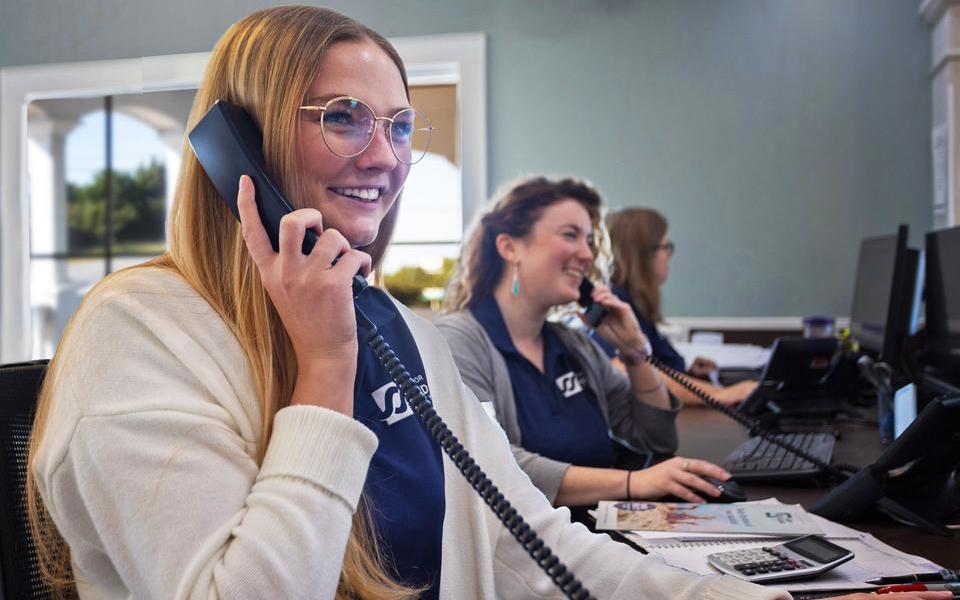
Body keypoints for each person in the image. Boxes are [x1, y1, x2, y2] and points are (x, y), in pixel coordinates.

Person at [23, 7, 942, 600]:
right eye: (341, 115)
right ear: (242, 146)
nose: (384, 157)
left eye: (399, 125)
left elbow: (534, 545)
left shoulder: (393, 329)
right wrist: (326, 367)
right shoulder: (138, 332)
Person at [436, 176, 736, 510]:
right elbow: (491, 465)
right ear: (510, 247)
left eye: (590, 241)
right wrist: (633, 484)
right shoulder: (459, 341)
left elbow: (656, 437)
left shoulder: (574, 345)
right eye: (570, 235)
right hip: (531, 549)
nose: (587, 254)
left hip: (599, 532)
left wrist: (635, 354)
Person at [606, 207, 759, 407]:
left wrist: (688, 376)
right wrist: (717, 394)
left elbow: (656, 366)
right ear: (644, 255)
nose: (669, 256)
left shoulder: (637, 304)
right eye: (665, 247)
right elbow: (622, 368)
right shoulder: (615, 307)